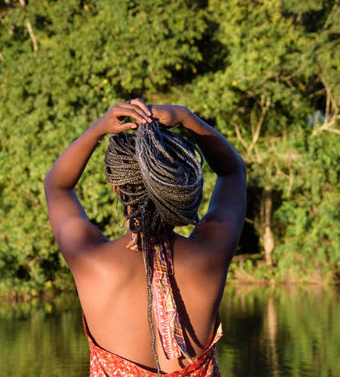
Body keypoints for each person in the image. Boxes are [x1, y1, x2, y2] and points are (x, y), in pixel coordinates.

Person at [44, 99, 246, 376]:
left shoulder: (89, 260)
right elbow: (232, 171)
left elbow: (57, 185)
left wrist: (97, 130)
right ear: (181, 187)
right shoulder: (210, 255)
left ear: (117, 189)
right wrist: (187, 118)